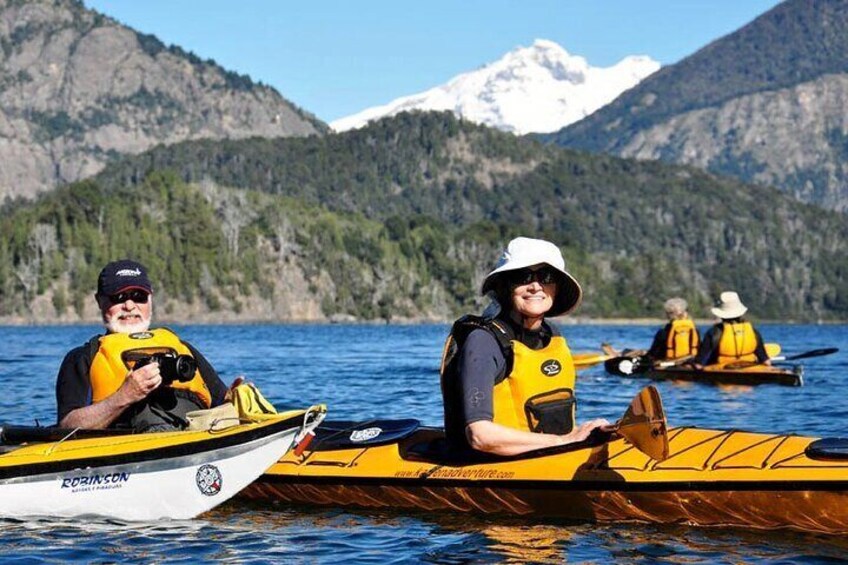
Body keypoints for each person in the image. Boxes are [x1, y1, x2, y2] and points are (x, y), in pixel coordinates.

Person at [440, 237, 609, 457]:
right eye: (523, 277)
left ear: (556, 287)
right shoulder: (483, 341)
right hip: (492, 466)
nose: (536, 286)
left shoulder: (553, 337)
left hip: (551, 455)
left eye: (546, 277)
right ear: (505, 286)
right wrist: (565, 440)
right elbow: (479, 435)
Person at [56, 259, 229, 431]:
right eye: (119, 297)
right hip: (128, 444)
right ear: (100, 301)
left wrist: (236, 397)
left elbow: (222, 400)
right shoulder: (83, 358)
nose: (129, 306)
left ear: (150, 300)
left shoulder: (183, 349)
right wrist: (125, 396)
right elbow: (67, 426)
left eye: (139, 297)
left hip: (193, 437)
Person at [693, 291, 770, 368]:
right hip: (750, 368)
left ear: (721, 314)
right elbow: (766, 362)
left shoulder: (714, 333)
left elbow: (699, 365)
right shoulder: (753, 332)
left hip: (720, 372)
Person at [646, 297, 700, 362]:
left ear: (668, 315)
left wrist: (645, 354)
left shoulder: (663, 332)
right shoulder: (694, 330)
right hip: (690, 362)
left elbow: (653, 354)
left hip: (667, 363)